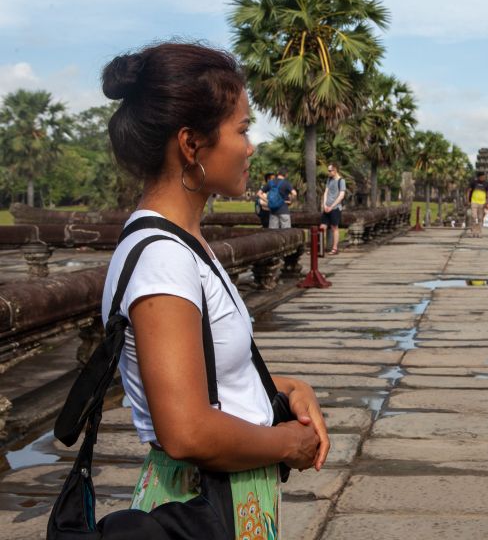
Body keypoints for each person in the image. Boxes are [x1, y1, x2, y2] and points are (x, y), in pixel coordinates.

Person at [100, 42, 330, 535]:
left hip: (227, 501)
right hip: (199, 510)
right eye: (242, 129)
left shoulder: (184, 243)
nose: (251, 146)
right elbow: (185, 430)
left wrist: (286, 388)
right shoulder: (164, 259)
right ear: (191, 145)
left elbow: (209, 381)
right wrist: (289, 444)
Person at [321, 163, 346, 255]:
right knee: (322, 227)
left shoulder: (341, 181)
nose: (328, 172)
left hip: (335, 208)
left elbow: (341, 195)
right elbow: (326, 192)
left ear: (335, 170)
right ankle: (319, 248)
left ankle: (335, 248)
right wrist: (324, 205)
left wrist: (332, 206)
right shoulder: (329, 179)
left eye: (330, 170)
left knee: (334, 227)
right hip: (326, 207)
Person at [465, 171, 488, 238]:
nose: (484, 178)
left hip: (482, 203)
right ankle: (473, 232)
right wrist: (468, 200)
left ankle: (479, 232)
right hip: (474, 202)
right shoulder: (473, 183)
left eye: (484, 177)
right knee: (473, 217)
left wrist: (487, 202)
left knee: (480, 218)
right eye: (482, 177)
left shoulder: (486, 183)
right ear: (479, 177)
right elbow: (468, 191)